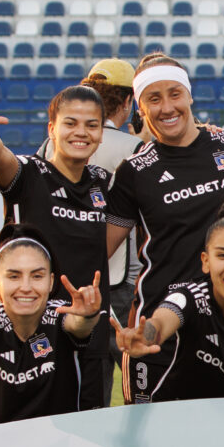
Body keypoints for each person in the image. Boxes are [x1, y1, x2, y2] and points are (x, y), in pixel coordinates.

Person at [105, 52, 224, 404]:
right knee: (148, 440)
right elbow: (98, 250)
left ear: (189, 96)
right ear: (140, 107)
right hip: (157, 327)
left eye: (174, 94)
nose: (167, 107)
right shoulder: (134, 171)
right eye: (153, 98)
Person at [0, 80, 112, 410]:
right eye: (70, 123)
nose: (80, 132)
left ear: (101, 133)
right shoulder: (29, 173)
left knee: (90, 434)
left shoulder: (104, 183)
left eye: (91, 125)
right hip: (32, 336)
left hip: (91, 334)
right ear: (52, 128)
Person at [111, 199, 224, 400]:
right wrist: (146, 335)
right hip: (182, 412)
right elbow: (162, 321)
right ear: (206, 262)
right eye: (223, 255)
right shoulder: (190, 296)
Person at [38, 58, 145, 406]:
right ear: (129, 102)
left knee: (75, 383)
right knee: (138, 380)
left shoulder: (47, 147)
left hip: (54, 284)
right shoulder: (134, 149)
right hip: (119, 284)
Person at [0, 225, 102, 427]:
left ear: (51, 282)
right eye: (14, 276)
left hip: (58, 444)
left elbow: (79, 325)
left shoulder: (59, 315)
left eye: (37, 276)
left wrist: (89, 314)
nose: (26, 287)